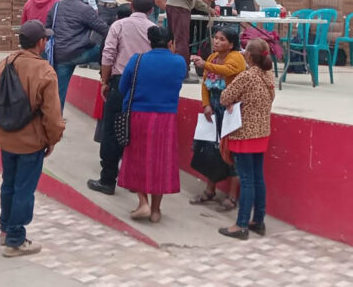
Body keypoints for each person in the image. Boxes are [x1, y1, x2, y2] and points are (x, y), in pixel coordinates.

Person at [0, 20, 65, 257]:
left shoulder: (4, 64)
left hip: (6, 138)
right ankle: (16, 240)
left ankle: (5, 230)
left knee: (8, 184)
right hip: (32, 141)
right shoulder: (45, 71)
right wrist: (52, 139)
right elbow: (52, 116)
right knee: (24, 189)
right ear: (40, 42)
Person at [88, 0, 156, 195]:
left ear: (132, 6)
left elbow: (108, 54)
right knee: (138, 130)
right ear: (151, 10)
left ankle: (108, 180)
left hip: (120, 81)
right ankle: (134, 180)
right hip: (144, 83)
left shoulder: (118, 25)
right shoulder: (153, 29)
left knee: (112, 129)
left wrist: (104, 80)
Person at [117, 26, 187, 222]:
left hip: (139, 115)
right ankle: (156, 210)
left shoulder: (137, 60)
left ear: (150, 42)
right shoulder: (179, 62)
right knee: (161, 161)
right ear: (171, 43)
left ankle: (143, 202)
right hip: (166, 117)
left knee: (137, 158)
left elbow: (123, 87)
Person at [218, 38, 275, 240]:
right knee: (258, 177)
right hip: (262, 131)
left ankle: (241, 224)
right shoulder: (269, 75)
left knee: (247, 180)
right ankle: (258, 220)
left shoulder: (247, 76)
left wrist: (235, 101)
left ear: (248, 56)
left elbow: (224, 97)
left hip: (244, 133)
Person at [189, 27, 246, 211]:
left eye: (222, 39)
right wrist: (206, 104)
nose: (216, 41)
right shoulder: (213, 57)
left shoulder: (236, 58)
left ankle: (232, 196)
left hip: (230, 112)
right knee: (211, 150)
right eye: (216, 38)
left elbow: (227, 70)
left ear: (231, 44)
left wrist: (204, 64)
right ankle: (210, 190)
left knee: (232, 152)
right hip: (214, 110)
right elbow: (205, 84)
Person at [45, 0, 109, 111]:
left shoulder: (56, 6)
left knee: (59, 93)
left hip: (60, 55)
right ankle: (108, 79)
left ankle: (55, 120)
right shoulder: (85, 9)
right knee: (105, 52)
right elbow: (104, 30)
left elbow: (47, 28)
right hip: (80, 53)